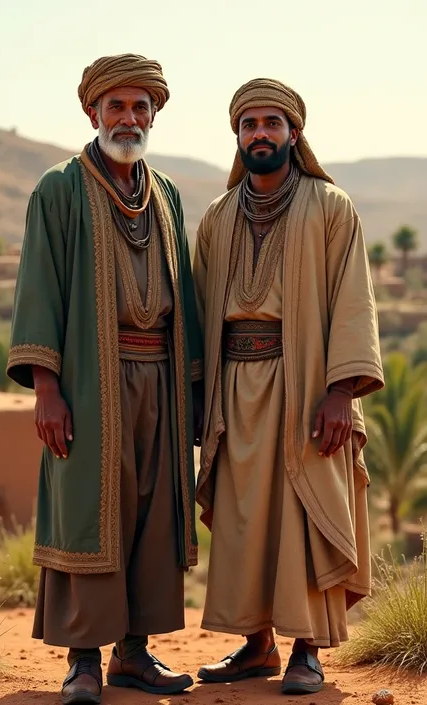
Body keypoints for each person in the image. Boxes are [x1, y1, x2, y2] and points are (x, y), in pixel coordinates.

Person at [6, 53, 203, 705]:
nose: (129, 117)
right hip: (92, 378)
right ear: (91, 112)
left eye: (141, 107)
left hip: (161, 377)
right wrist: (47, 388)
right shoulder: (58, 189)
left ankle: (135, 655)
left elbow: (189, 298)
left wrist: (194, 395)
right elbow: (40, 289)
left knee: (151, 513)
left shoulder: (168, 194)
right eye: (115, 106)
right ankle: (83, 660)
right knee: (93, 512)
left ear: (154, 115)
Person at [193, 78, 384, 696]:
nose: (260, 134)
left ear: (294, 133)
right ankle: (256, 647)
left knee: (305, 515)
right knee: (248, 521)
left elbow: (353, 301)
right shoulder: (218, 219)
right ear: (237, 136)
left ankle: (307, 651)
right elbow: (197, 315)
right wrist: (198, 400)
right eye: (249, 124)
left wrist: (340, 393)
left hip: (305, 388)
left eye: (272, 123)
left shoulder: (331, 206)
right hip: (234, 392)